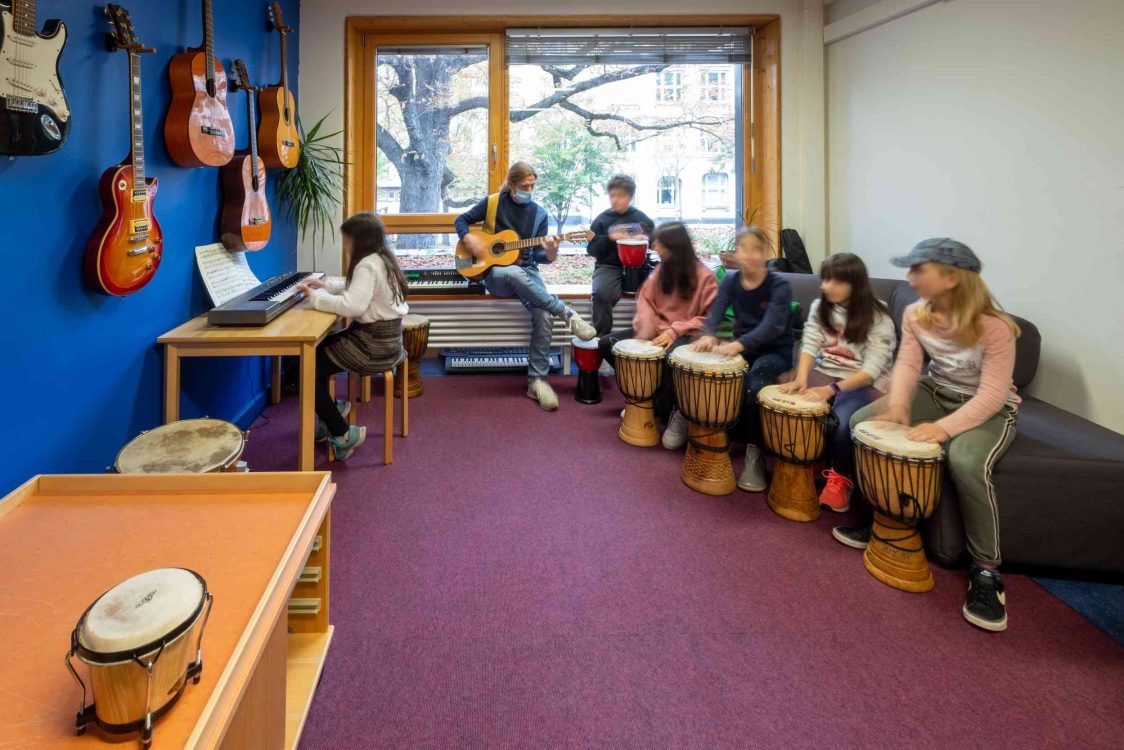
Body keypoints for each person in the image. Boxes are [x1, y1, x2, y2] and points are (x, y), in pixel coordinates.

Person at [836, 238, 1021, 632]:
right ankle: (882, 516)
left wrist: (942, 430)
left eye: (919, 270)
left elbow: (991, 395)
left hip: (987, 407)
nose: (911, 278)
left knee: (966, 460)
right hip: (934, 391)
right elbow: (908, 363)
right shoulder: (918, 313)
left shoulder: (997, 327)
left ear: (952, 278)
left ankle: (987, 571)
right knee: (862, 424)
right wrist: (900, 403)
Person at [455, 162, 596, 411]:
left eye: (532, 185)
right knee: (510, 270)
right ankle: (567, 313)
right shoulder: (492, 203)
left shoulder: (539, 214)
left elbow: (540, 259)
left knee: (543, 314)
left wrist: (552, 251)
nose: (529, 190)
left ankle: (537, 382)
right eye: (524, 186)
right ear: (511, 185)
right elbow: (461, 220)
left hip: (528, 271)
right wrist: (470, 239)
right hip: (495, 274)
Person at [779, 253, 896, 512]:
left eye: (834, 281)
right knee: (790, 402)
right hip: (826, 372)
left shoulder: (878, 314)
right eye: (824, 280)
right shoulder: (821, 306)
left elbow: (872, 370)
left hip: (862, 382)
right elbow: (809, 344)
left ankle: (841, 479)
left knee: (843, 421)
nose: (825, 286)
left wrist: (828, 390)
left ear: (854, 283)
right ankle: (817, 459)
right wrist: (801, 379)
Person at [297, 212, 410, 460]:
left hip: (372, 346)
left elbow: (353, 306)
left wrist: (315, 298)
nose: (346, 246)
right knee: (315, 353)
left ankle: (342, 432)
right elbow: (355, 286)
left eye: (347, 241)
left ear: (359, 240)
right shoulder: (381, 259)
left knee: (303, 368)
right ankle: (332, 409)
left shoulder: (368, 264)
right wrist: (325, 285)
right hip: (386, 341)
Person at [693, 226, 794, 492]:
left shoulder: (779, 286)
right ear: (736, 253)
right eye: (743, 248)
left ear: (765, 253)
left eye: (756, 249)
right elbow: (716, 311)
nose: (749, 254)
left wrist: (738, 344)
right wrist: (708, 334)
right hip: (743, 347)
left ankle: (754, 453)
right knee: (705, 370)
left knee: (754, 383)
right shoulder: (730, 280)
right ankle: (704, 434)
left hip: (774, 351)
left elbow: (772, 326)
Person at [598, 223, 718, 441]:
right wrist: (646, 326)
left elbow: (710, 319)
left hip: (686, 336)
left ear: (674, 247)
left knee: (673, 360)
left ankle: (678, 411)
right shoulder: (660, 270)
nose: (655, 247)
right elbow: (645, 300)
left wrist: (674, 331)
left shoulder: (705, 277)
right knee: (608, 344)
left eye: (659, 244)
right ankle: (643, 399)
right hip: (656, 332)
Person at [585, 175, 656, 343]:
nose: (615, 200)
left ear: (630, 197)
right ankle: (601, 339)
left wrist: (646, 240)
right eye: (612, 195)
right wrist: (609, 238)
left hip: (640, 267)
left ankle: (650, 339)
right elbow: (592, 250)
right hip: (609, 265)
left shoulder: (643, 220)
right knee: (602, 293)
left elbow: (655, 242)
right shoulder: (601, 220)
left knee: (659, 293)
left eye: (621, 196)